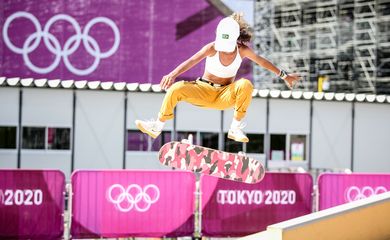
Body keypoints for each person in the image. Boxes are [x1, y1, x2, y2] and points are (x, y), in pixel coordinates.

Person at [136, 13, 300, 143]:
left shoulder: (242, 50)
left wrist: (284, 75)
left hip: (224, 96)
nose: (226, 51)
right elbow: (191, 61)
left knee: (245, 84)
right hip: (203, 90)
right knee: (176, 89)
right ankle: (157, 126)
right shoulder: (212, 47)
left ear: (236, 39)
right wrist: (172, 74)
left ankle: (235, 128)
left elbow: (262, 61)